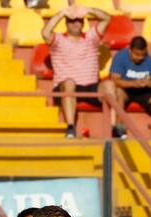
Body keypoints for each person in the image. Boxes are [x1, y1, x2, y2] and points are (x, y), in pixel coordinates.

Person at [42, 4, 116, 139]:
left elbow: (106, 18)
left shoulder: (91, 37)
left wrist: (88, 10)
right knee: (69, 83)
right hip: (66, 87)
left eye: (79, 20)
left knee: (109, 85)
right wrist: (62, 13)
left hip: (90, 86)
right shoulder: (58, 40)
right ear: (66, 23)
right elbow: (45, 33)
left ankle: (114, 128)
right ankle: (70, 127)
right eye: (72, 20)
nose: (76, 23)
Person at [109, 36, 151, 140]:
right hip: (127, 90)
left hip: (145, 91)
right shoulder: (120, 57)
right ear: (130, 50)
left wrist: (150, 83)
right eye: (136, 54)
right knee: (117, 92)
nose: (139, 58)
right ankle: (119, 128)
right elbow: (115, 79)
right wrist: (134, 84)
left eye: (142, 55)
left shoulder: (149, 59)